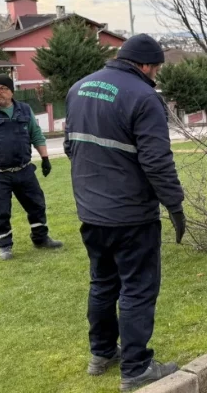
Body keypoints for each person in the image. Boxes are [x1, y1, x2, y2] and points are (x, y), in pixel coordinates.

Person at [64, 34, 186, 391]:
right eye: (157, 68)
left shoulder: (78, 88)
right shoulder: (144, 96)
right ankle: (136, 368)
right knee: (137, 288)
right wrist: (175, 205)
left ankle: (101, 353)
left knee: (102, 283)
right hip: (132, 215)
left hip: (91, 211)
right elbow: (157, 161)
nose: (157, 75)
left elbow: (71, 146)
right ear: (145, 65)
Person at [0, 74, 62, 261]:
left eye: (2, 88)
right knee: (0, 211)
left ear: (12, 92)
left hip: (24, 170)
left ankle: (41, 238)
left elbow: (36, 135)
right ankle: (4, 246)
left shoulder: (24, 110)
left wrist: (45, 158)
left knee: (36, 204)